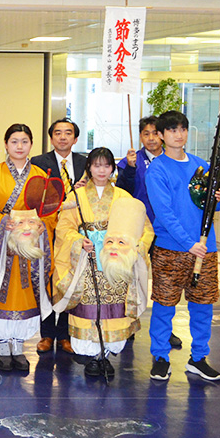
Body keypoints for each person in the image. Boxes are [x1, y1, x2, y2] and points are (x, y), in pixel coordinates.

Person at [52, 148, 154, 377]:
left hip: (114, 263)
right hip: (86, 261)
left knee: (113, 310)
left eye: (106, 166)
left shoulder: (123, 197)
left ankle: (105, 355)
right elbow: (64, 227)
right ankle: (91, 356)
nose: (101, 170)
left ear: (112, 168)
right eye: (96, 165)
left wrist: (134, 247)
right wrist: (78, 240)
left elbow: (144, 228)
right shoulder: (75, 197)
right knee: (89, 310)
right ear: (89, 168)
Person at [145, 111, 220, 382]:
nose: (178, 135)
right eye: (172, 130)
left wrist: (217, 198)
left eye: (182, 129)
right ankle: (160, 357)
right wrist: (188, 243)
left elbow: (213, 206)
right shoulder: (157, 169)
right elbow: (164, 213)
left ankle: (199, 358)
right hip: (171, 249)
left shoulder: (201, 165)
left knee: (203, 305)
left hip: (205, 247)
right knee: (165, 305)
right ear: (161, 135)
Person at [0, 124, 58, 373]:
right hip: (2, 245)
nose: (19, 146)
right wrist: (3, 222)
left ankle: (19, 347)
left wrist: (42, 224)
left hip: (30, 245)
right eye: (14, 141)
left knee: (26, 293)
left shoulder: (41, 176)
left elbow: (51, 210)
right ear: (5, 144)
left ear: (31, 145)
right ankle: (3, 348)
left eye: (24, 141)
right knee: (1, 292)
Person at [115, 116, 183, 350]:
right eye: (146, 133)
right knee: (131, 276)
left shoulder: (174, 159)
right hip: (138, 228)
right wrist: (130, 169)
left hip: (166, 230)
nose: (151, 138)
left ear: (162, 135)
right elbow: (122, 190)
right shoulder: (132, 160)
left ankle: (165, 330)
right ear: (140, 136)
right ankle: (128, 323)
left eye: (155, 133)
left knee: (165, 282)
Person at [30, 117, 88, 355]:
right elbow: (34, 196)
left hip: (73, 232)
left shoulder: (85, 163)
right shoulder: (37, 163)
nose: (63, 137)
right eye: (58, 133)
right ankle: (46, 334)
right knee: (45, 281)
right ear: (51, 137)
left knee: (69, 281)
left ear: (75, 138)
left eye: (68, 133)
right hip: (46, 229)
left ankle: (65, 334)